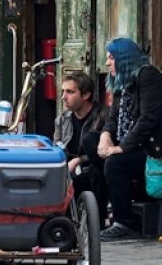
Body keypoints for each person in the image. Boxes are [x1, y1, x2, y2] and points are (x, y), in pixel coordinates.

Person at [97, 37, 162, 241]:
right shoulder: (121, 82)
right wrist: (105, 136)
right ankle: (99, 214)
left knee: (114, 163)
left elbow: (148, 120)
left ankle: (125, 222)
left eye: (111, 58)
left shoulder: (149, 76)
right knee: (91, 144)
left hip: (154, 149)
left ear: (124, 58)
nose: (107, 63)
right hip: (134, 144)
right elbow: (113, 117)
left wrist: (121, 148)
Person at [54, 71, 108, 217]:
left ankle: (99, 220)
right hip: (69, 169)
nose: (63, 97)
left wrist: (79, 160)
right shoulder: (62, 119)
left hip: (93, 167)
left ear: (85, 95)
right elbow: (56, 148)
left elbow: (104, 153)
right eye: (63, 91)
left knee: (95, 174)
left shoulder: (103, 115)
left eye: (70, 92)